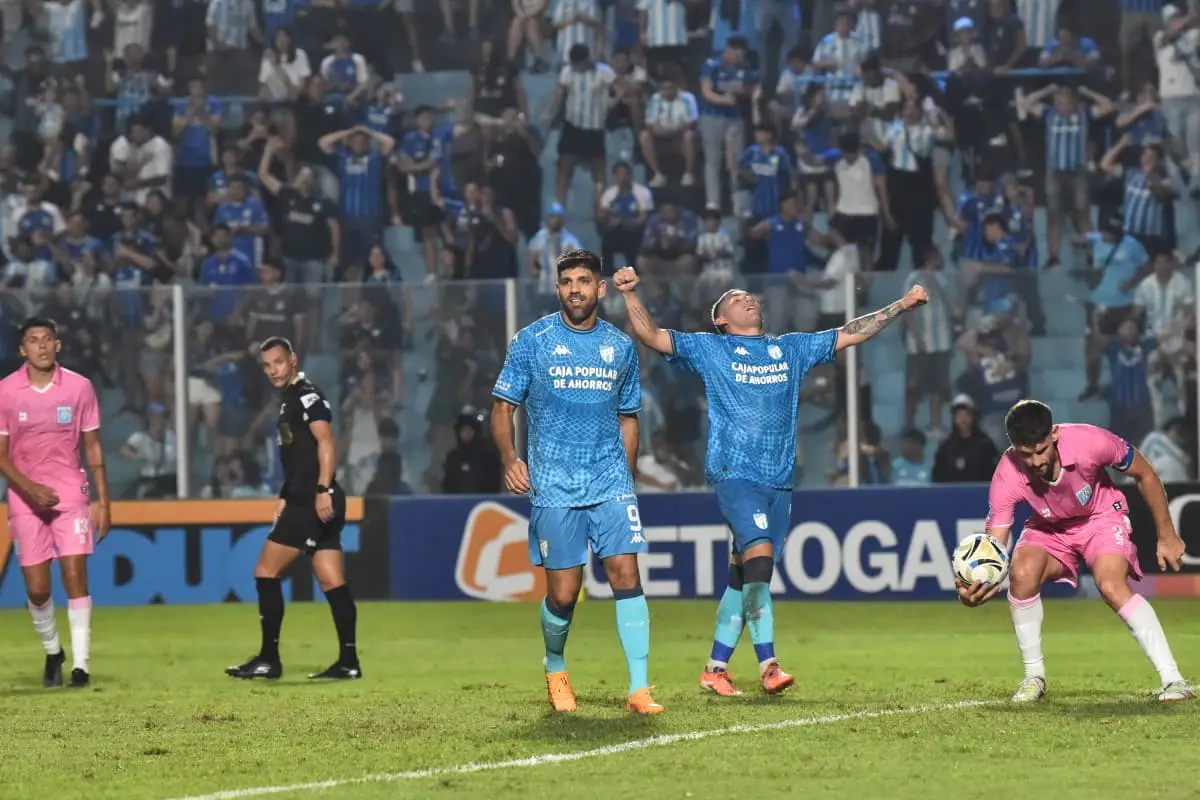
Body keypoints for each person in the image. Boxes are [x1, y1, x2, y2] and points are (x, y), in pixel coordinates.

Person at [613, 265, 928, 696]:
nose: (748, 299)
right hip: (734, 473)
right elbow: (652, 337)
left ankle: (715, 669)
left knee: (744, 576)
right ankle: (769, 665)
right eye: (735, 298)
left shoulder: (791, 348)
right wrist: (631, 293)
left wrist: (902, 305)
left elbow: (852, 332)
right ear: (720, 320)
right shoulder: (709, 348)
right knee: (760, 562)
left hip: (778, 480)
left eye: (750, 296)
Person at [490, 249, 661, 715]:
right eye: (566, 281)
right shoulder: (532, 341)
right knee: (563, 596)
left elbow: (629, 417)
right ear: (558, 288)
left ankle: (640, 688)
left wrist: (626, 476)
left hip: (609, 482)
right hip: (554, 484)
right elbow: (503, 406)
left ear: (600, 288)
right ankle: (555, 665)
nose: (575, 289)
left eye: (584, 280)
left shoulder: (621, 347)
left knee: (627, 575)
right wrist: (510, 457)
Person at [958, 399, 1194, 704]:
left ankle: (1173, 679)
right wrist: (976, 583)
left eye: (1041, 450)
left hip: (1101, 517)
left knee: (1110, 584)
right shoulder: (1007, 473)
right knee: (1021, 571)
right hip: (1049, 528)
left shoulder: (1090, 441)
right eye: (1026, 454)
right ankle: (1033, 678)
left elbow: (1144, 473)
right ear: (1015, 448)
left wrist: (1166, 533)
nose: (1036, 462)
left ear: (1054, 434)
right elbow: (994, 547)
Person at [226, 336, 360, 682]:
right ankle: (348, 661)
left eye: (279, 362)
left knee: (265, 573)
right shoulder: (289, 400)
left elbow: (326, 442)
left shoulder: (305, 396)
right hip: (306, 497)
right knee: (331, 579)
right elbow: (298, 458)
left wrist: (322, 489)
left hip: (312, 500)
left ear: (293, 360)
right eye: (268, 365)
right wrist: (286, 494)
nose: (274, 370)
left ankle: (269, 659)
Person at [0, 317, 110, 687]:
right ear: (22, 350)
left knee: (75, 575)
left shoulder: (79, 388)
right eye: (33, 340)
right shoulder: (6, 391)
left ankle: (81, 666)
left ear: (57, 345)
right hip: (24, 497)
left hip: (69, 493)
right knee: (37, 589)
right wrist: (29, 488)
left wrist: (104, 502)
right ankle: (53, 650)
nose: (42, 346)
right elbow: (0, 455)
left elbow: (93, 446)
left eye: (48, 339)